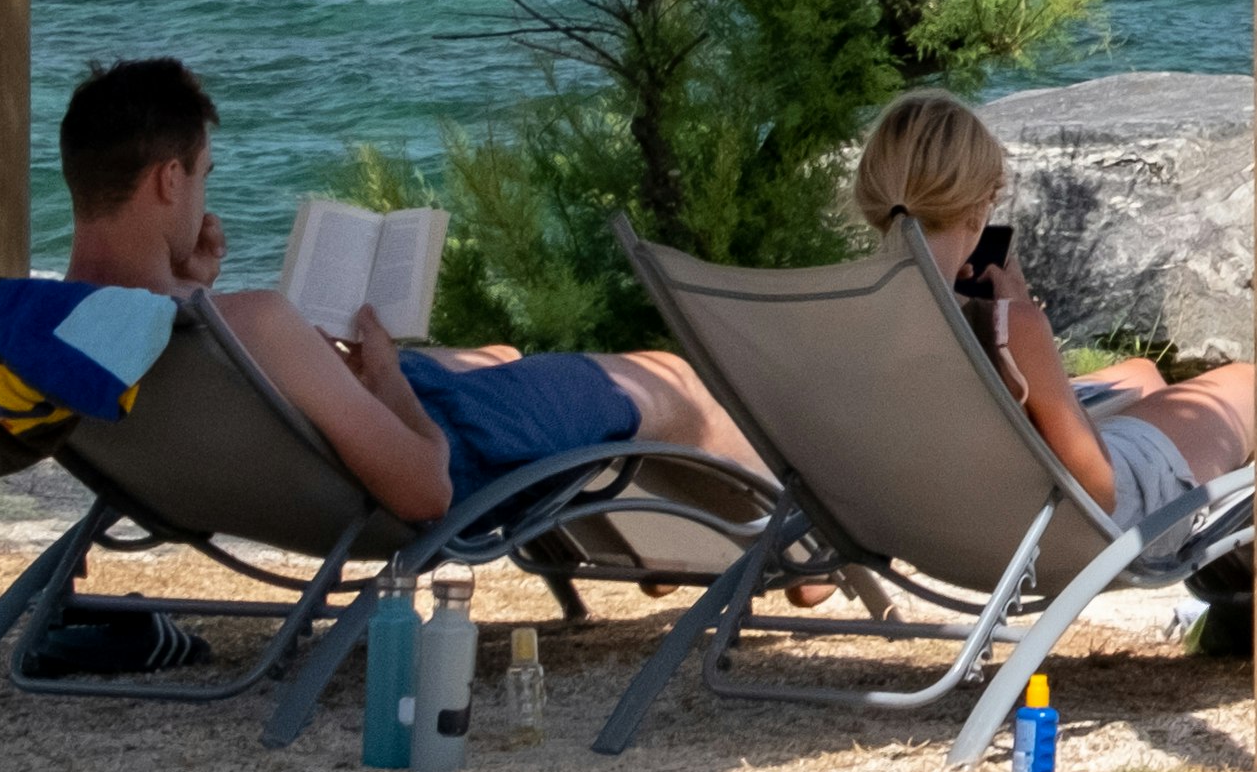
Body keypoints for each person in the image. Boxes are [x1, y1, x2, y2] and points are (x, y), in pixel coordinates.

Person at [51, 55, 761, 521]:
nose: (203, 196)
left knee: (499, 355)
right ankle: (797, 548)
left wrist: (189, 288)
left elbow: (185, 356)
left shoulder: (46, 328)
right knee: (671, 380)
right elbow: (425, 491)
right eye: (203, 175)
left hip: (250, 484)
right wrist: (386, 380)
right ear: (168, 180)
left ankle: (666, 537)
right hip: (434, 457)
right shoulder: (255, 323)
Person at [848, 90, 1254, 548]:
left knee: (1140, 373)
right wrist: (1020, 317)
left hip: (934, 522)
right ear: (982, 202)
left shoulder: (841, 315)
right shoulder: (1008, 325)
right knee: (1251, 385)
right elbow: (1101, 491)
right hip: (1059, 530)